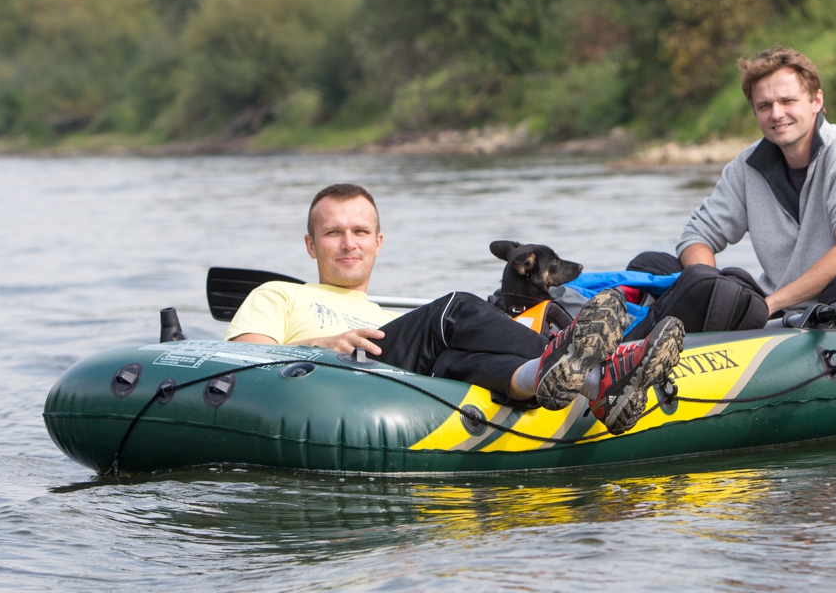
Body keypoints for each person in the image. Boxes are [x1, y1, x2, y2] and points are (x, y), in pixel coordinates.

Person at [225, 183, 686, 434]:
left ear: (378, 242)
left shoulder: (387, 315)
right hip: (335, 378)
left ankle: (589, 381)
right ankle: (603, 368)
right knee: (452, 308)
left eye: (360, 232)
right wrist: (323, 344)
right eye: (333, 233)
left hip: (409, 388)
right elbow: (241, 364)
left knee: (455, 357)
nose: (349, 243)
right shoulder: (277, 294)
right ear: (311, 244)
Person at [629, 47, 836, 336]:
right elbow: (696, 237)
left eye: (788, 101)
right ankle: (637, 349)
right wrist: (709, 289)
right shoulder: (746, 167)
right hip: (778, 314)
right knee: (650, 265)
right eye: (765, 105)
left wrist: (768, 305)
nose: (777, 114)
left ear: (816, 101)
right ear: (755, 111)